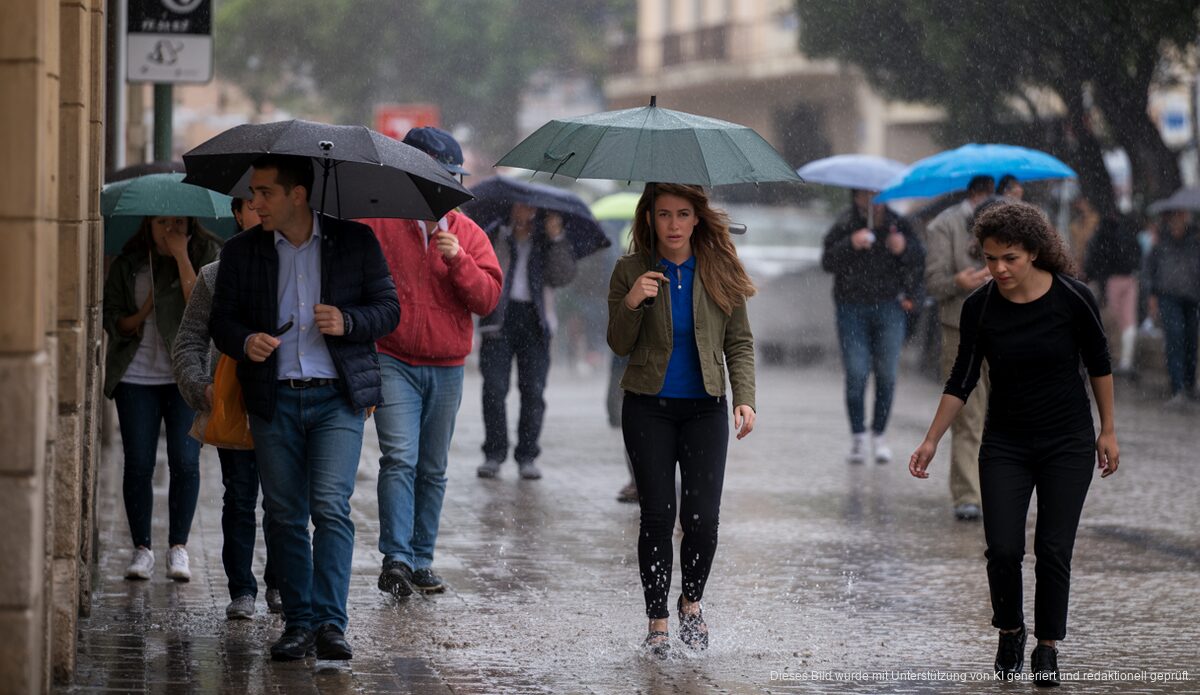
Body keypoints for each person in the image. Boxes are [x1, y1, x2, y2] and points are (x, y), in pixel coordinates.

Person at [909, 201, 1119, 687]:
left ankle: (1047, 645)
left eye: (1010, 259)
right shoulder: (979, 306)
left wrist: (1107, 429)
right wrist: (931, 440)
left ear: (1034, 253)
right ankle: (1011, 629)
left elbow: (1100, 363)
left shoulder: (1073, 298)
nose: (998, 269)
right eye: (990, 258)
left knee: (1052, 548)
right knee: (1002, 548)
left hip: (1067, 442)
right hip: (1004, 442)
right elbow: (961, 378)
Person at [209, 154, 400, 662]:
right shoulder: (242, 251)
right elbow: (220, 321)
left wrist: (349, 321)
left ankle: (332, 625)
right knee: (286, 514)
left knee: (330, 508)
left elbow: (388, 309)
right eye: (253, 193)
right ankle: (298, 623)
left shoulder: (354, 241)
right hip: (273, 400)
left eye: (265, 192)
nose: (254, 203)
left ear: (297, 195)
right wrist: (245, 340)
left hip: (337, 397)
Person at [608, 183, 756, 658]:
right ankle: (657, 621)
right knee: (656, 515)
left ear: (697, 219)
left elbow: (740, 341)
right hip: (647, 406)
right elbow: (617, 342)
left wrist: (745, 398)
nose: (673, 224)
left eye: (683, 214)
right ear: (649, 218)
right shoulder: (630, 268)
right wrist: (633, 301)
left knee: (702, 520)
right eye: (664, 214)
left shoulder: (719, 268)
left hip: (705, 408)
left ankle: (691, 602)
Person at [359, 127, 503, 599]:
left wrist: (459, 261)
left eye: (450, 178)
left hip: (447, 364)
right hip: (392, 356)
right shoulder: (378, 225)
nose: (441, 188)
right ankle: (396, 557)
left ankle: (422, 559)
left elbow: (487, 300)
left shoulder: (469, 234)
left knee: (433, 466)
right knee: (399, 457)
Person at [172, 198, 283, 619]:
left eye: (267, 201)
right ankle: (242, 590)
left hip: (284, 405)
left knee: (282, 502)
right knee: (238, 497)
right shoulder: (215, 275)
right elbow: (189, 339)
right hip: (233, 406)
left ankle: (279, 583)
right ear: (239, 214)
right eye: (253, 204)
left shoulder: (302, 272)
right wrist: (201, 388)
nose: (262, 211)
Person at [102, 214, 222, 582]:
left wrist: (182, 256)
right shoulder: (130, 263)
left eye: (177, 222)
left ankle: (178, 548)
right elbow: (113, 319)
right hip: (136, 376)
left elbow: (202, 310)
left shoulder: (207, 256)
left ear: (190, 224)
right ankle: (142, 549)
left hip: (183, 378)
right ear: (147, 225)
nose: (169, 229)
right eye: (160, 222)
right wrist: (143, 311)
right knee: (138, 462)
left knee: (185, 462)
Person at [821, 189, 925, 463]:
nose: (873, 203)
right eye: (867, 196)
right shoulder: (845, 224)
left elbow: (918, 258)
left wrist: (903, 248)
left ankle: (879, 434)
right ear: (856, 198)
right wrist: (850, 244)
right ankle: (858, 436)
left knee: (887, 374)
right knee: (856, 373)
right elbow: (827, 261)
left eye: (878, 196)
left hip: (890, 307)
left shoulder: (899, 224)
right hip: (851, 308)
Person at [476, 203, 576, 480]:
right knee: (494, 388)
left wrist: (556, 237)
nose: (527, 212)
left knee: (533, 391)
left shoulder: (548, 239)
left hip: (536, 320)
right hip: (499, 318)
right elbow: (482, 265)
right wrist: (509, 234)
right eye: (522, 205)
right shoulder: (496, 233)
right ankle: (494, 454)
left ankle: (527, 455)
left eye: (532, 207)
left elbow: (562, 276)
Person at [923, 175, 994, 521]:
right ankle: (968, 494)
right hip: (960, 327)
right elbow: (933, 284)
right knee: (967, 413)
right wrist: (959, 282)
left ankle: (1000, 489)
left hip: (1006, 329)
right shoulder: (944, 226)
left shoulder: (1013, 219)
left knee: (1003, 415)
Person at [1144, 209, 1200, 405]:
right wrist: (1152, 294)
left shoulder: (1195, 240)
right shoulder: (1161, 242)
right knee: (1175, 338)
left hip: (1192, 297)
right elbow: (1150, 269)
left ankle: (1189, 384)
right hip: (1168, 296)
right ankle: (1178, 387)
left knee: (1191, 340)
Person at [1084, 215, 1142, 377]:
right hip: (1129, 279)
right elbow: (1137, 256)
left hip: (1109, 281)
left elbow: (1093, 262)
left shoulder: (1100, 235)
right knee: (1128, 322)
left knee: (1109, 321)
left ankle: (1108, 359)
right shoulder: (1128, 234)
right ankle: (1125, 362)